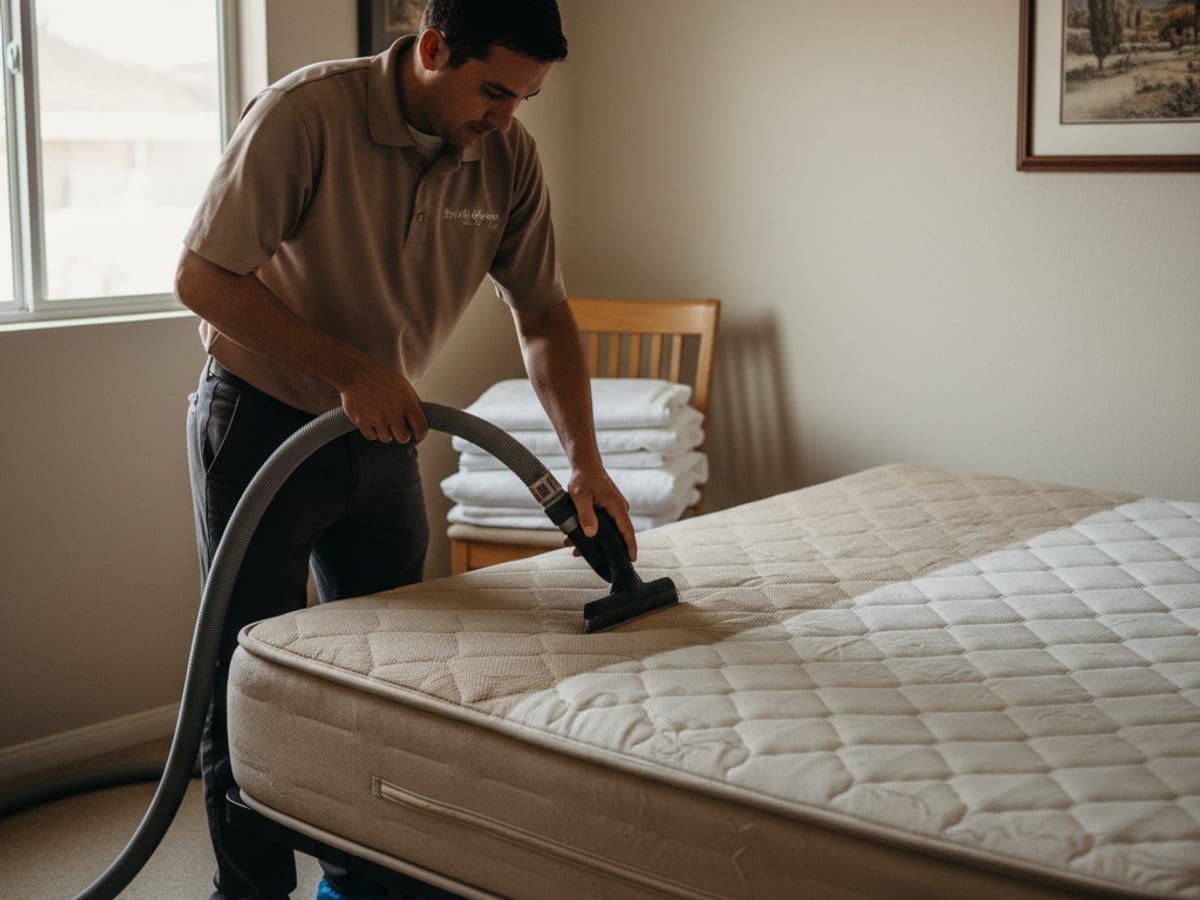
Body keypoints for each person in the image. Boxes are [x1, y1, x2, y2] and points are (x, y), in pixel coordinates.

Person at [176, 2, 636, 898]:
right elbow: (201, 277)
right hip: (262, 421)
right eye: (494, 91)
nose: (506, 117)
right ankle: (251, 892)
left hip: (385, 430)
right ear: (432, 49)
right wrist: (350, 370)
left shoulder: (507, 157)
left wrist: (585, 461)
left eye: (526, 98)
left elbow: (543, 318)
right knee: (247, 672)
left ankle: (362, 883)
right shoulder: (306, 115)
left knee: (390, 675)